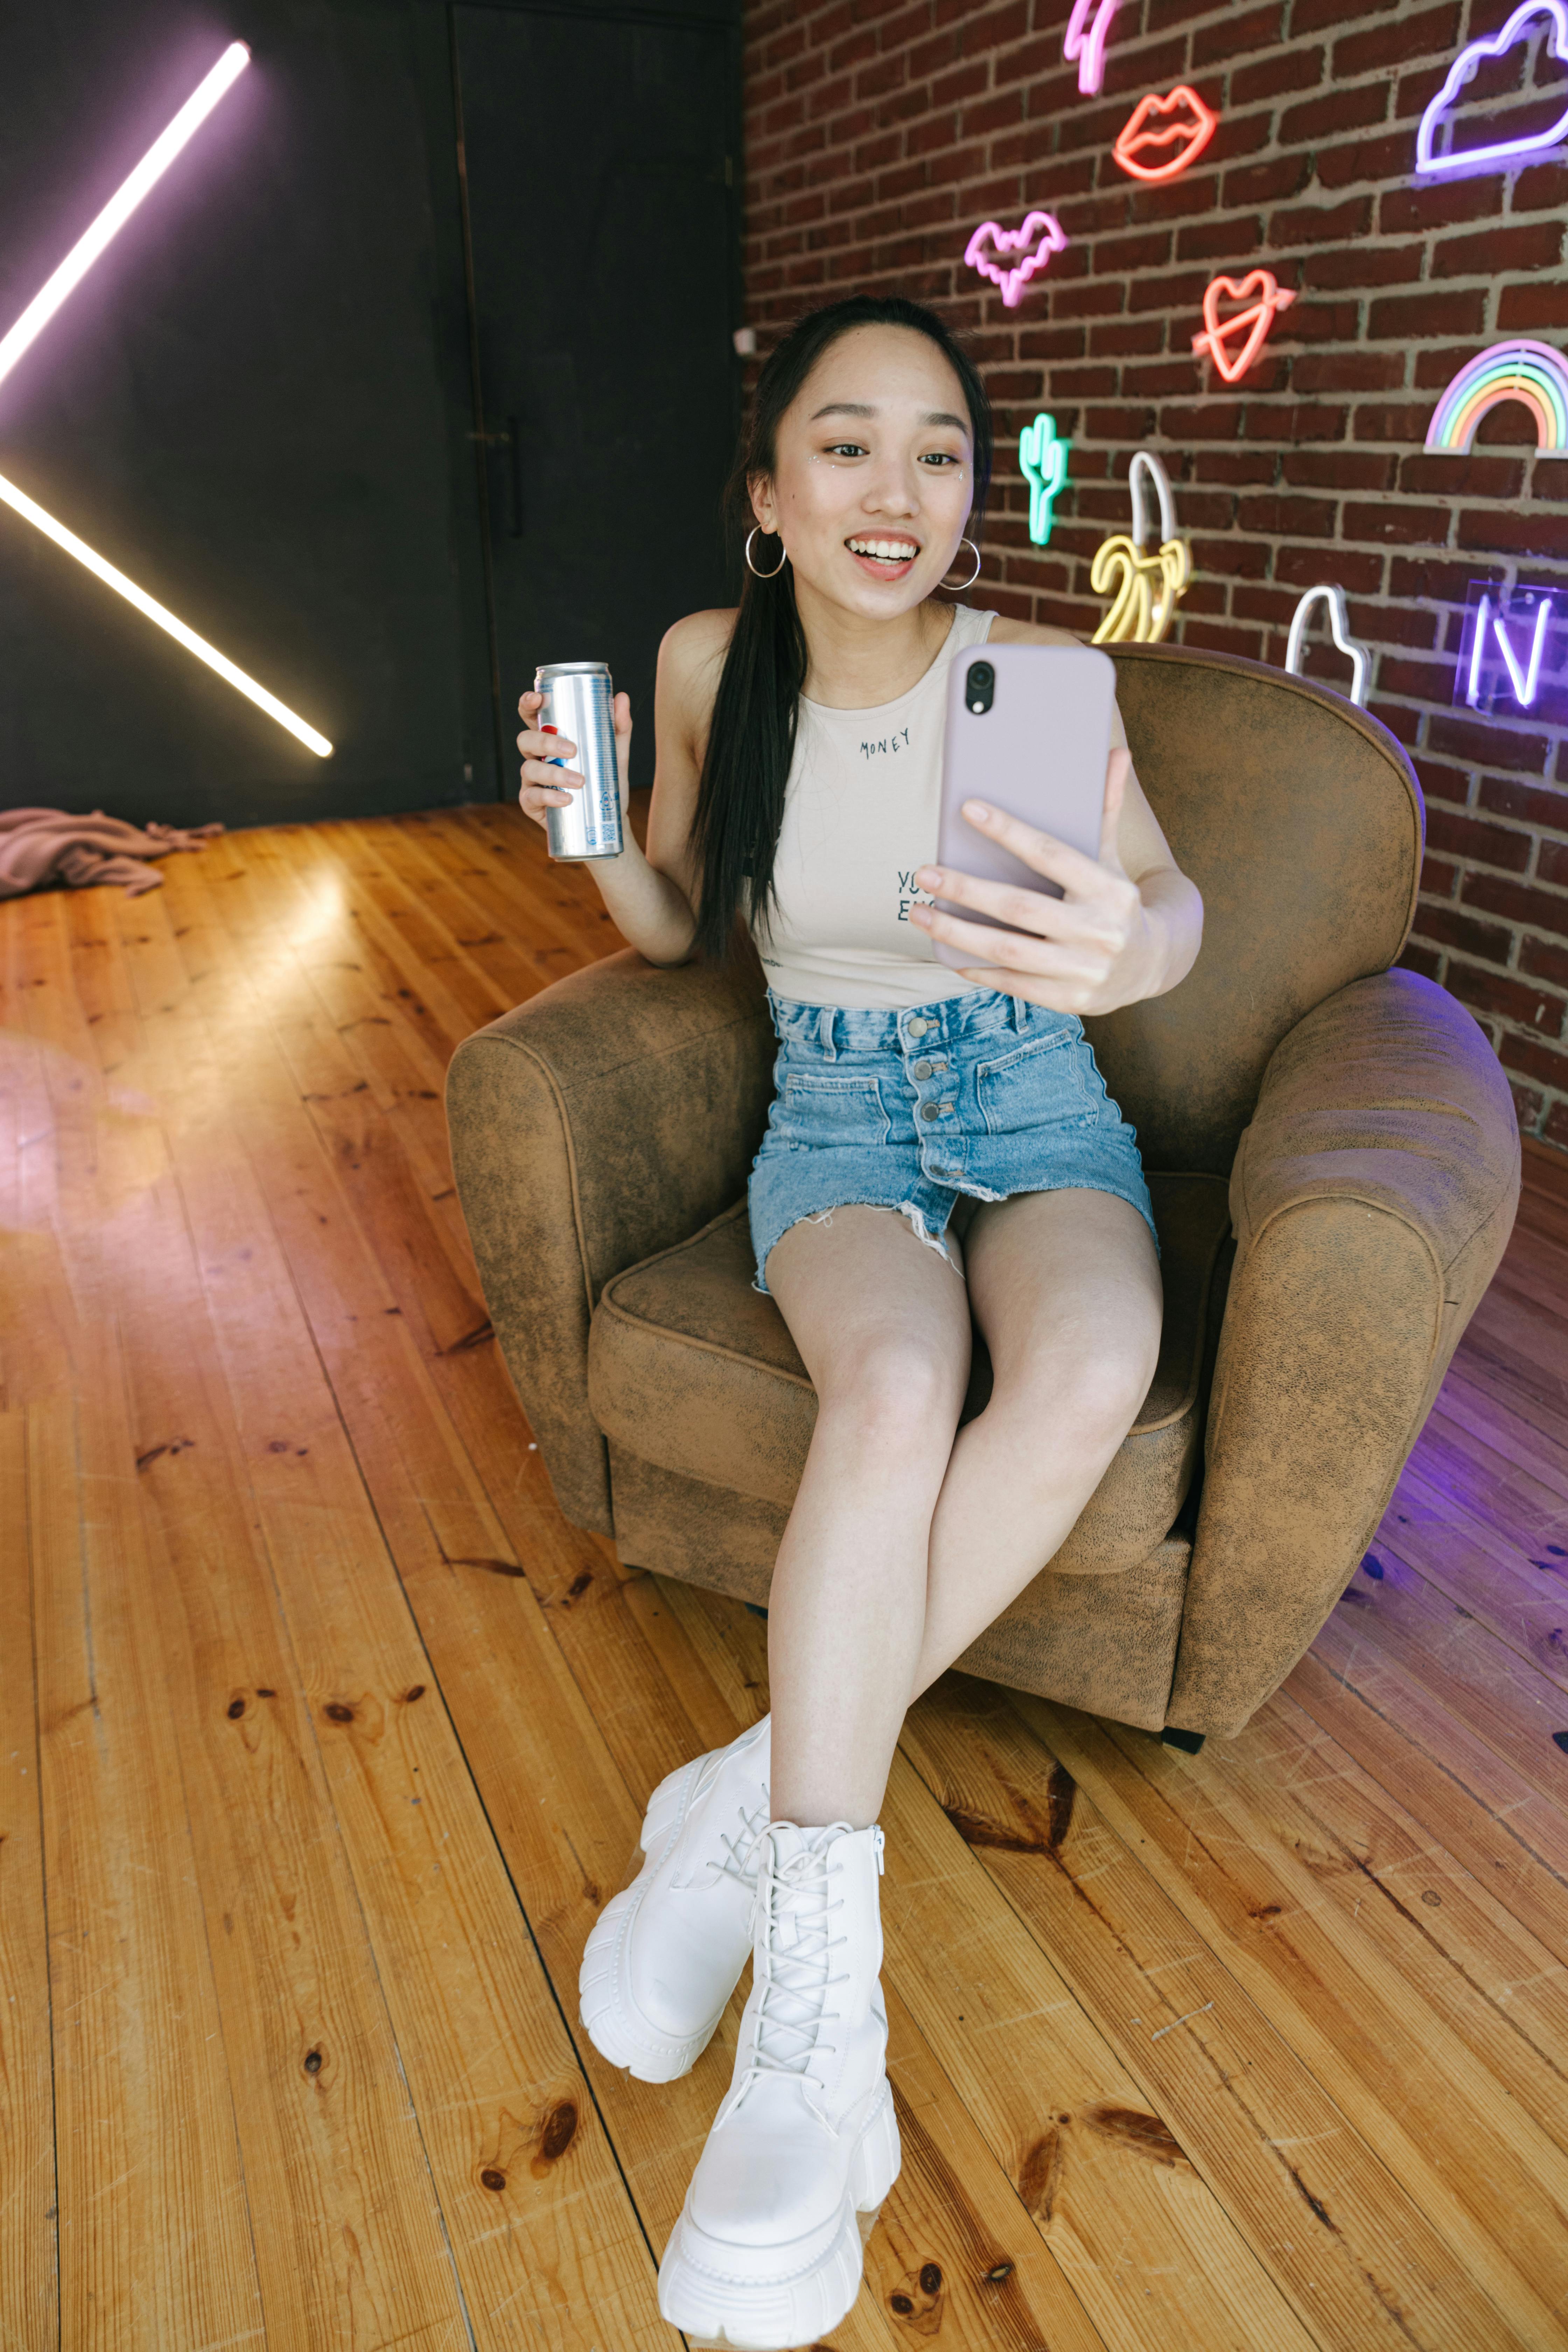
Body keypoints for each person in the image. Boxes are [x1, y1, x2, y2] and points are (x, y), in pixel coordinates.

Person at [515, 292, 1203, 2351]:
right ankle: (820, 2000)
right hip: (833, 1105)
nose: (889, 488)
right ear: (769, 490)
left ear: (971, 496)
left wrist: (1129, 942)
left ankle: (759, 1802)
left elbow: (1161, 911)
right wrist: (581, 817)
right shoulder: (721, 666)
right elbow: (669, 907)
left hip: (1034, 1093)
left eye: (932, 450)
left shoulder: (1043, 681)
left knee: (1086, 1361)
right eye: (843, 442)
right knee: (891, 1386)